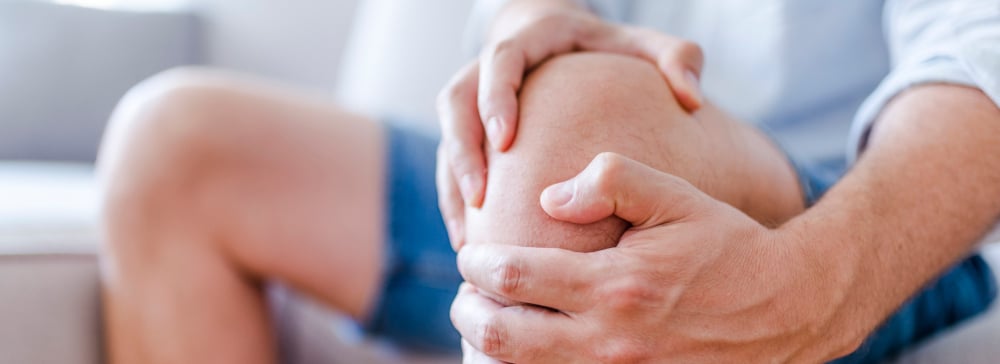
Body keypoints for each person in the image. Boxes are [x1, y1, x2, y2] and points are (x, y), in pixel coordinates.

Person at [96, 2, 999, 364]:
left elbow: (981, 55)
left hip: (854, 200)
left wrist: (819, 285)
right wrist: (532, 27)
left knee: (577, 149)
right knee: (172, 148)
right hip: (564, 166)